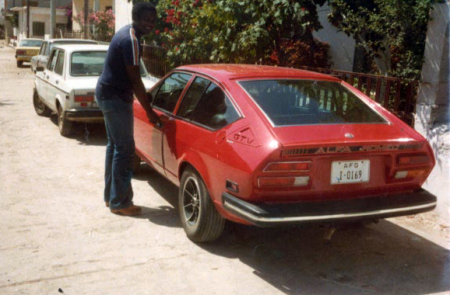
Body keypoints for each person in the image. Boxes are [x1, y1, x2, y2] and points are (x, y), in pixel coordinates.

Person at [95, 2, 160, 216]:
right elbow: (135, 80)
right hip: (114, 98)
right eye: (147, 19)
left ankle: (111, 197)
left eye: (153, 19)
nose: (150, 23)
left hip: (108, 93)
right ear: (137, 18)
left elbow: (130, 78)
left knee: (115, 146)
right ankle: (121, 203)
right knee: (124, 149)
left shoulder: (129, 34)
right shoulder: (131, 40)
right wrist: (150, 112)